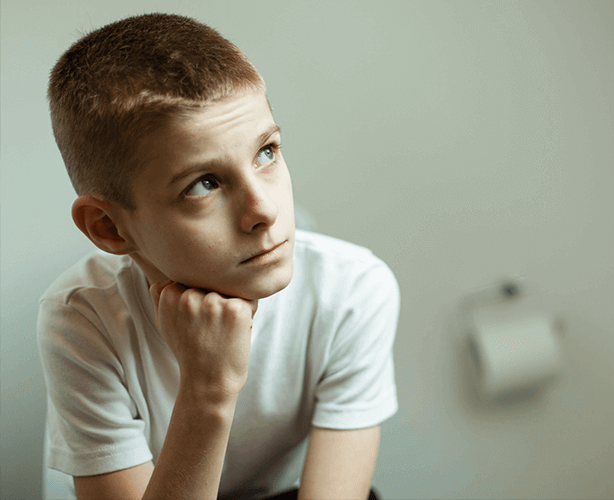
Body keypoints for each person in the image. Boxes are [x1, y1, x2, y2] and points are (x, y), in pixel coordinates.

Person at [38, 12, 399, 500]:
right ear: (110, 227)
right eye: (203, 184)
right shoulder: (83, 320)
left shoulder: (352, 290)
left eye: (266, 152)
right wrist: (208, 389)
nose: (264, 211)